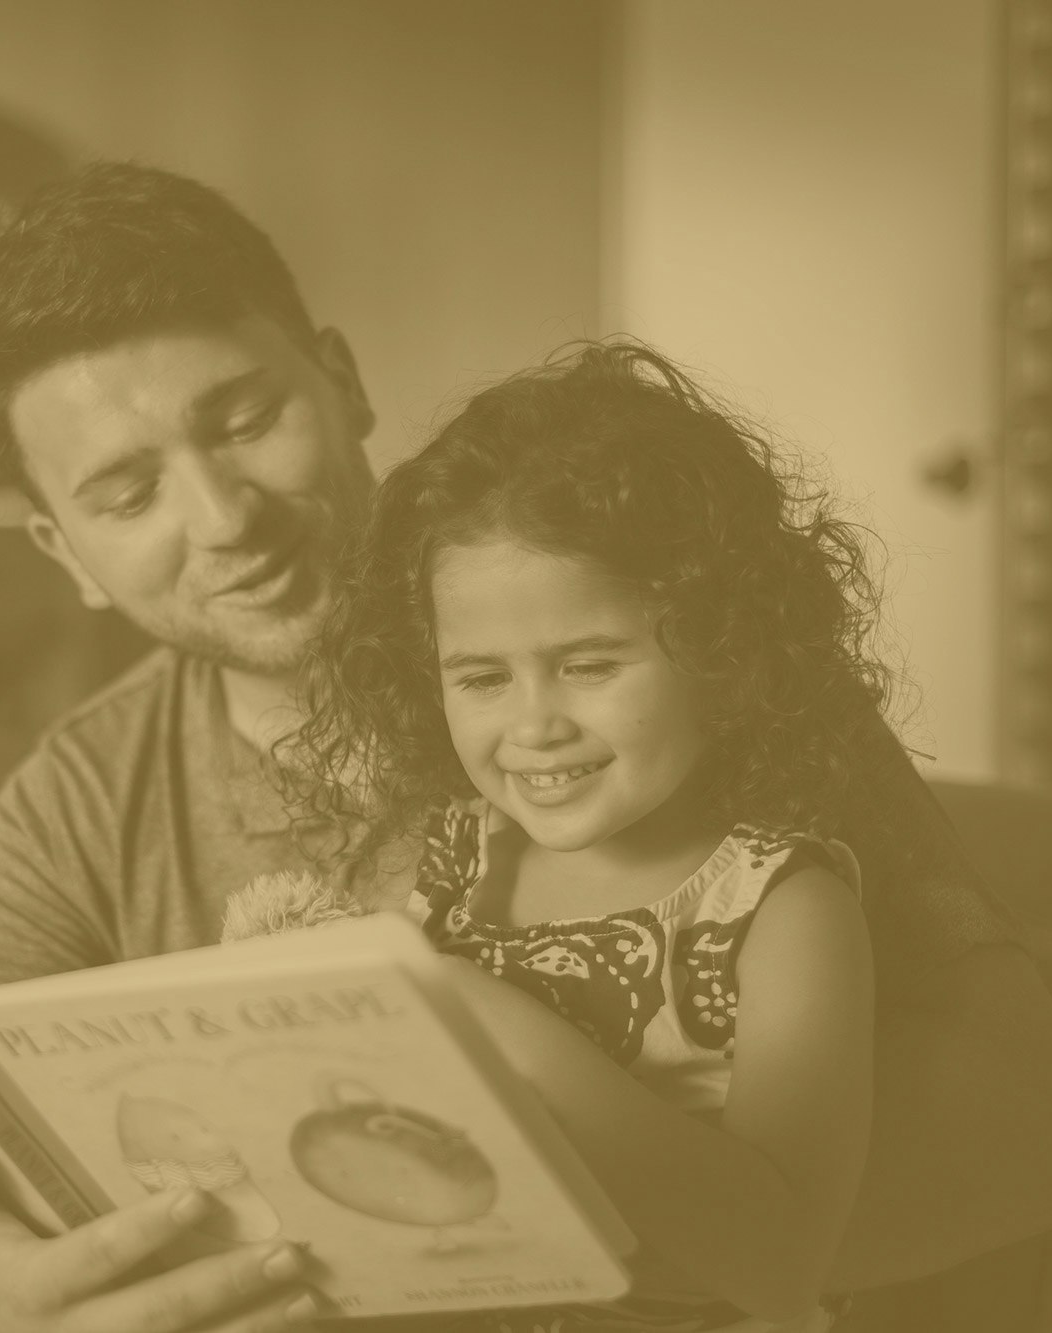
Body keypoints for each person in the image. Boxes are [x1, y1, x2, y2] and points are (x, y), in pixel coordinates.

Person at [0, 163, 1052, 1333]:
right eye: (128, 493)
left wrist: (506, 1215)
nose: (225, 521)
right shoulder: (71, 807)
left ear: (338, 383)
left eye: (241, 421)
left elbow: (1041, 1126)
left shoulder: (686, 715)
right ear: (61, 547)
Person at [285, 339, 885, 1330]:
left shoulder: (785, 910)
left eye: (587, 665)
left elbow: (779, 1258)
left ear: (719, 650)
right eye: (480, 677)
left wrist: (491, 1025)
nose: (531, 727)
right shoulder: (455, 865)